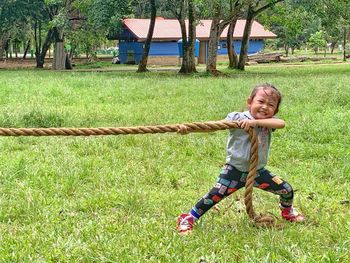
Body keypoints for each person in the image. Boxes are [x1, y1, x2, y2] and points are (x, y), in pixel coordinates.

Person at [177, 83, 305, 235]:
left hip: (257, 172)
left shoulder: (268, 123)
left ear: (275, 110)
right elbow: (214, 126)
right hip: (234, 171)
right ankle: (189, 218)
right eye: (261, 102)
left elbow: (281, 123)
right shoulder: (237, 118)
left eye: (270, 105)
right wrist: (190, 129)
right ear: (250, 101)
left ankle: (287, 212)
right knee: (213, 196)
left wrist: (255, 123)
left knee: (286, 190)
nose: (265, 107)